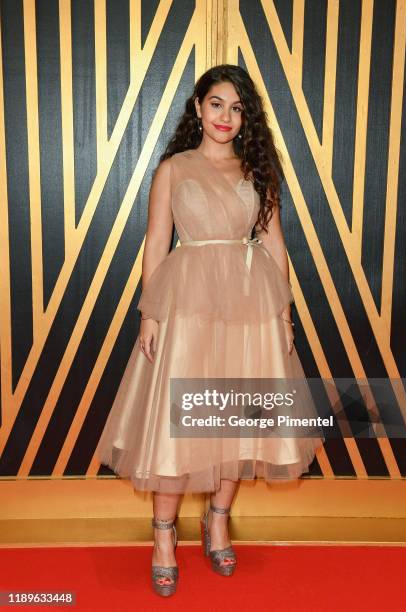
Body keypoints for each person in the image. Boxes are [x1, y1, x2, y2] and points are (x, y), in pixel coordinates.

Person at [96, 64, 325, 597]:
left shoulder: (257, 171)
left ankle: (218, 520)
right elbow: (156, 245)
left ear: (246, 119)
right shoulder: (173, 169)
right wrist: (149, 314)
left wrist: (283, 316)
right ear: (198, 107)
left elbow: (274, 245)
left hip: (250, 308)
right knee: (183, 424)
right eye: (217, 104)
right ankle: (162, 536)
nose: (226, 116)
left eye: (237, 108)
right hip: (188, 309)